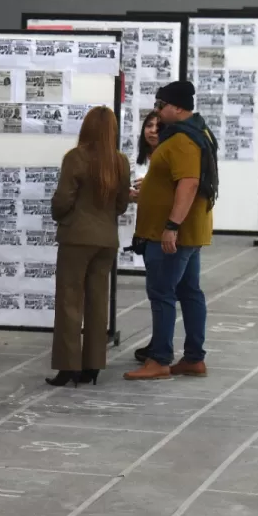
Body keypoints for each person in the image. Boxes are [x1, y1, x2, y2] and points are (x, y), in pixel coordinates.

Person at [126, 81, 216, 381]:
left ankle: (160, 359)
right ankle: (193, 358)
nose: (157, 110)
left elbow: (188, 183)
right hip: (188, 231)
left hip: (174, 234)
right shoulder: (196, 131)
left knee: (162, 292)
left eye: (160, 104)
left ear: (177, 107)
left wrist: (171, 227)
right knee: (189, 291)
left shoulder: (181, 140)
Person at [47, 106, 131, 387]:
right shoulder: (120, 162)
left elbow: (62, 199)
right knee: (98, 303)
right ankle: (93, 365)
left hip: (76, 239)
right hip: (106, 240)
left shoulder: (76, 158)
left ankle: (68, 366)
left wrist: (62, 217)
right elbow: (121, 205)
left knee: (70, 301)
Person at [131, 110, 163, 363]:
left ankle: (160, 347)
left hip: (161, 229)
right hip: (143, 227)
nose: (152, 130)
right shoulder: (138, 158)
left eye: (157, 126)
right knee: (155, 289)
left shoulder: (167, 156)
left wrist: (148, 191)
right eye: (148, 125)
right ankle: (158, 342)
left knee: (162, 291)